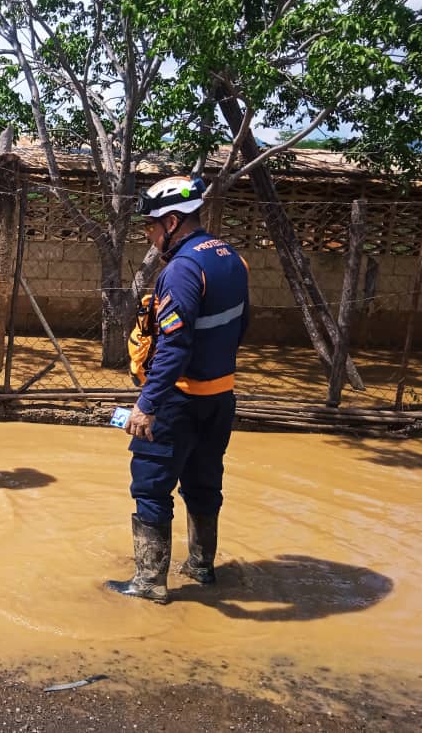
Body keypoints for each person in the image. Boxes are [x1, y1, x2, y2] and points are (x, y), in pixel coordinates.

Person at [106, 175, 249, 604]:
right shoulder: (230, 258)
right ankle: (201, 567)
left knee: (151, 486)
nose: (148, 237)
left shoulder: (183, 270)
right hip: (220, 397)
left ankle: (150, 582)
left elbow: (174, 344)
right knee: (205, 482)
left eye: (150, 226)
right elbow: (242, 325)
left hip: (177, 402)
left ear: (172, 221)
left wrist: (147, 405)